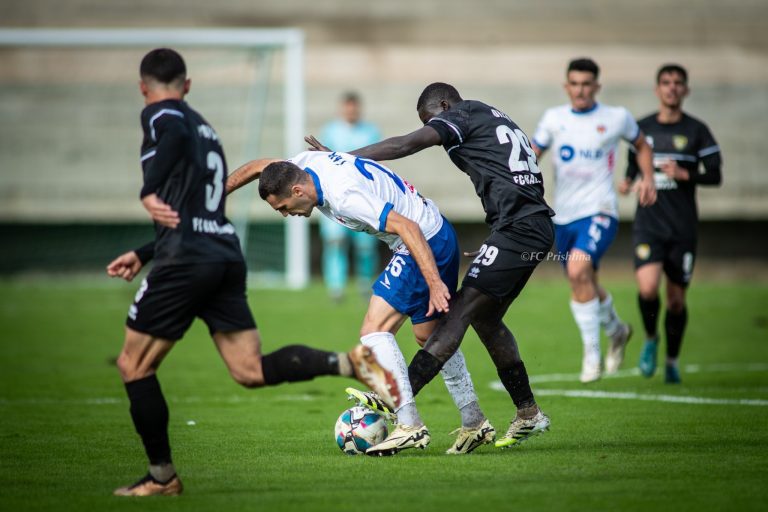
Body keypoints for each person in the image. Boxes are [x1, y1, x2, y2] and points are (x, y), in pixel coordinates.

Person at [107, 48, 397, 497]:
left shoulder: (162, 114)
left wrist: (148, 192)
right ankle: (346, 362)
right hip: (222, 252)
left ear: (144, 88)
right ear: (188, 85)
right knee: (248, 370)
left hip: (185, 259)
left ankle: (162, 477)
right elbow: (200, 210)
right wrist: (146, 251)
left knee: (133, 364)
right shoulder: (205, 130)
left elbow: (169, 144)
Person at [309, 82, 562, 448]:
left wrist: (342, 160)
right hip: (523, 228)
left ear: (444, 105)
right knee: (486, 319)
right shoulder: (490, 115)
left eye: (430, 121)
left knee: (457, 313)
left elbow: (405, 144)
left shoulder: (462, 114)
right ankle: (528, 413)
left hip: (520, 229)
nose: (433, 130)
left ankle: (395, 401)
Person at [226, 150, 495, 456]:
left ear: (297, 190)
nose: (286, 214)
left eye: (284, 207)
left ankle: (409, 425)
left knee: (374, 329)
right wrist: (212, 199)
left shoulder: (344, 196)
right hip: (437, 231)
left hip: (421, 240)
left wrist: (434, 283)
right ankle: (474, 421)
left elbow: (408, 227)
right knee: (430, 337)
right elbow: (258, 166)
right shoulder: (299, 165)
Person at [531, 58, 657, 383]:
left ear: (597, 86)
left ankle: (592, 355)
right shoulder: (554, 119)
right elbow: (531, 155)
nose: (581, 90)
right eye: (575, 84)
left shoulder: (616, 117)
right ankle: (617, 330)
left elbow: (642, 145)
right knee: (583, 281)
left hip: (600, 210)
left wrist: (647, 178)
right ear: (566, 86)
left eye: (587, 84)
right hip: (564, 217)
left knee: (577, 269)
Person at [619, 64, 722, 384]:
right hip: (649, 224)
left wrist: (684, 174)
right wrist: (627, 182)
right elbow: (632, 167)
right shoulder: (642, 128)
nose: (672, 88)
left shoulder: (697, 130)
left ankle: (672, 361)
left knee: (676, 300)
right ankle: (651, 338)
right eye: (666, 82)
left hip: (682, 227)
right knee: (648, 288)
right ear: (657, 89)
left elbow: (715, 175)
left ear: (685, 90)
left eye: (678, 83)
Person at [317, 92, 382, 301]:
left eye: (354, 107)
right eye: (348, 107)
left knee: (365, 245)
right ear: (342, 108)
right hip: (335, 198)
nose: (351, 111)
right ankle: (336, 287)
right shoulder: (330, 131)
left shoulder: (370, 131)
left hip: (363, 196)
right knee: (335, 242)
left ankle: (365, 284)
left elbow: (377, 162)